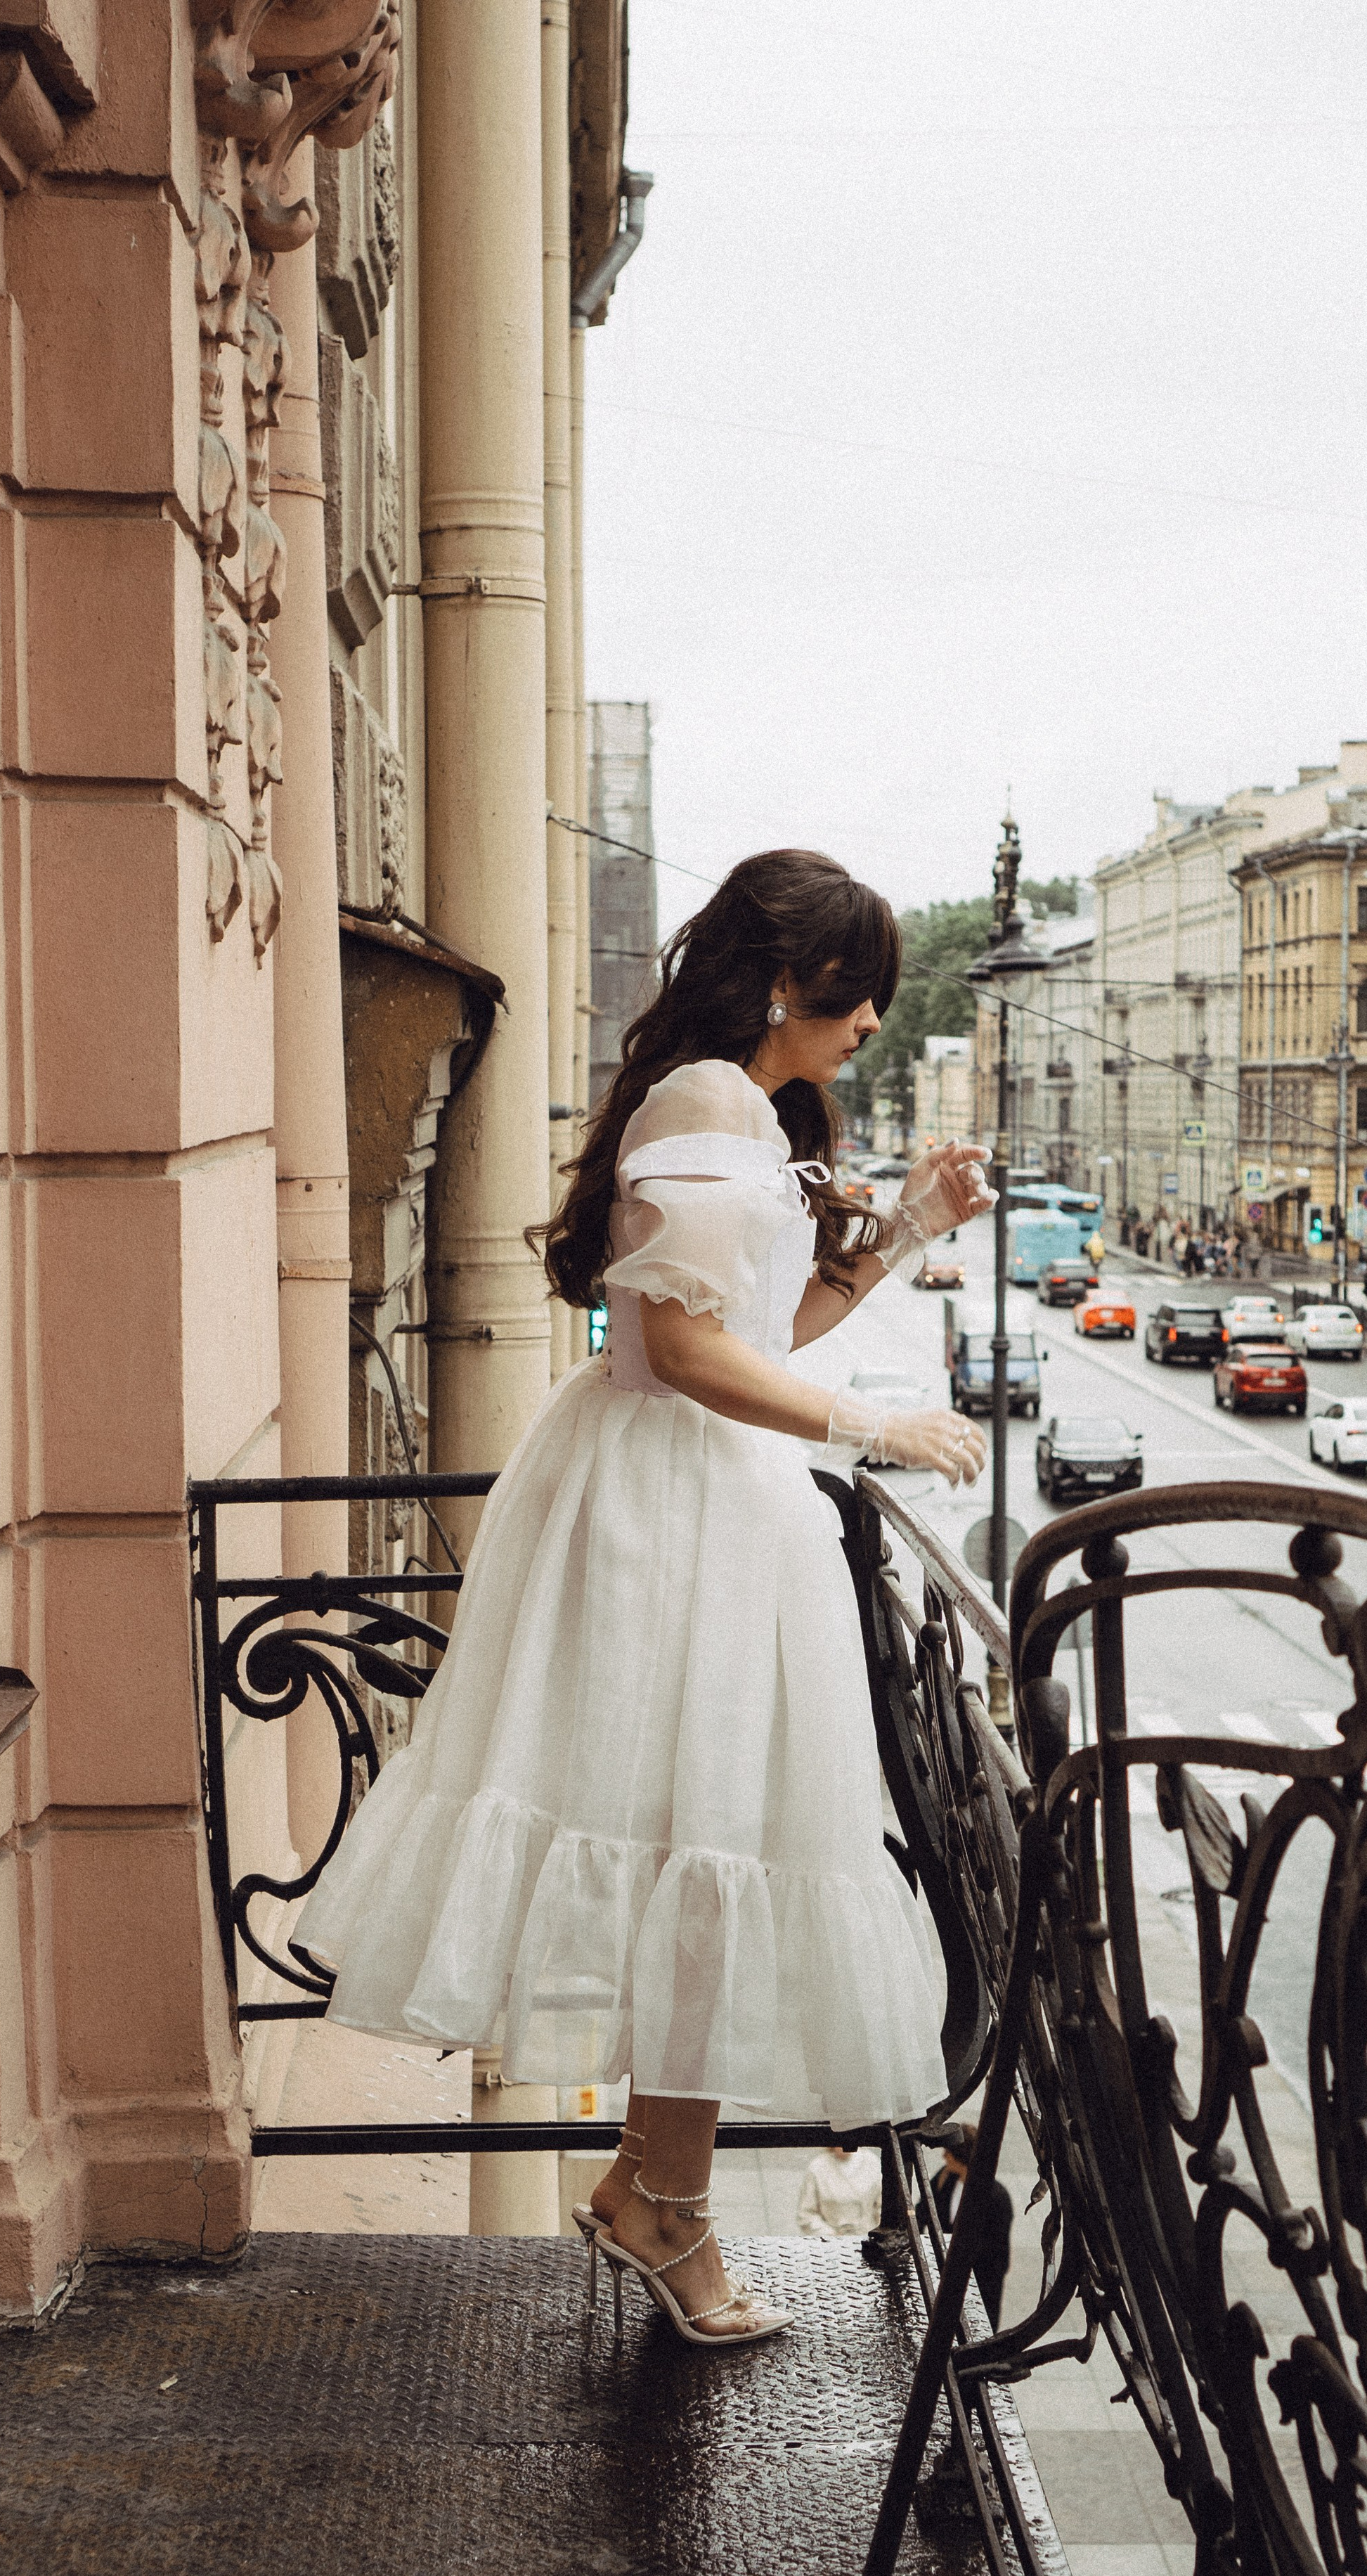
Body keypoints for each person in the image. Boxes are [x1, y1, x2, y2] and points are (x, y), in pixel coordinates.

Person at [292, 852, 994, 2348]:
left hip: (706, 1503)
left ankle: (651, 2191)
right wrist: (877, 1427)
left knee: (714, 1841)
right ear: (785, 977)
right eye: (854, 986)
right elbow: (677, 1350)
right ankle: (659, 2202)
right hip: (673, 1508)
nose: (871, 1016)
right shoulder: (701, 1105)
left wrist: (912, 1228)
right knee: (707, 1841)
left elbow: (761, 1321)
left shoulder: (737, 1108)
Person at [929, 2125, 1014, 2329]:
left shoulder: (997, 2199)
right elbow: (925, 2208)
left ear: (963, 2160)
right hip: (944, 2275)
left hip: (979, 2283)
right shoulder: (946, 2178)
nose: (944, 2156)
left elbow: (997, 2254)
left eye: (949, 2153)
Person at [796, 2142, 883, 2240]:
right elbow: (806, 2215)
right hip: (830, 2242)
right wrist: (831, 2236)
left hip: (867, 2240)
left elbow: (883, 2209)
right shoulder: (817, 2167)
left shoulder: (872, 2164)